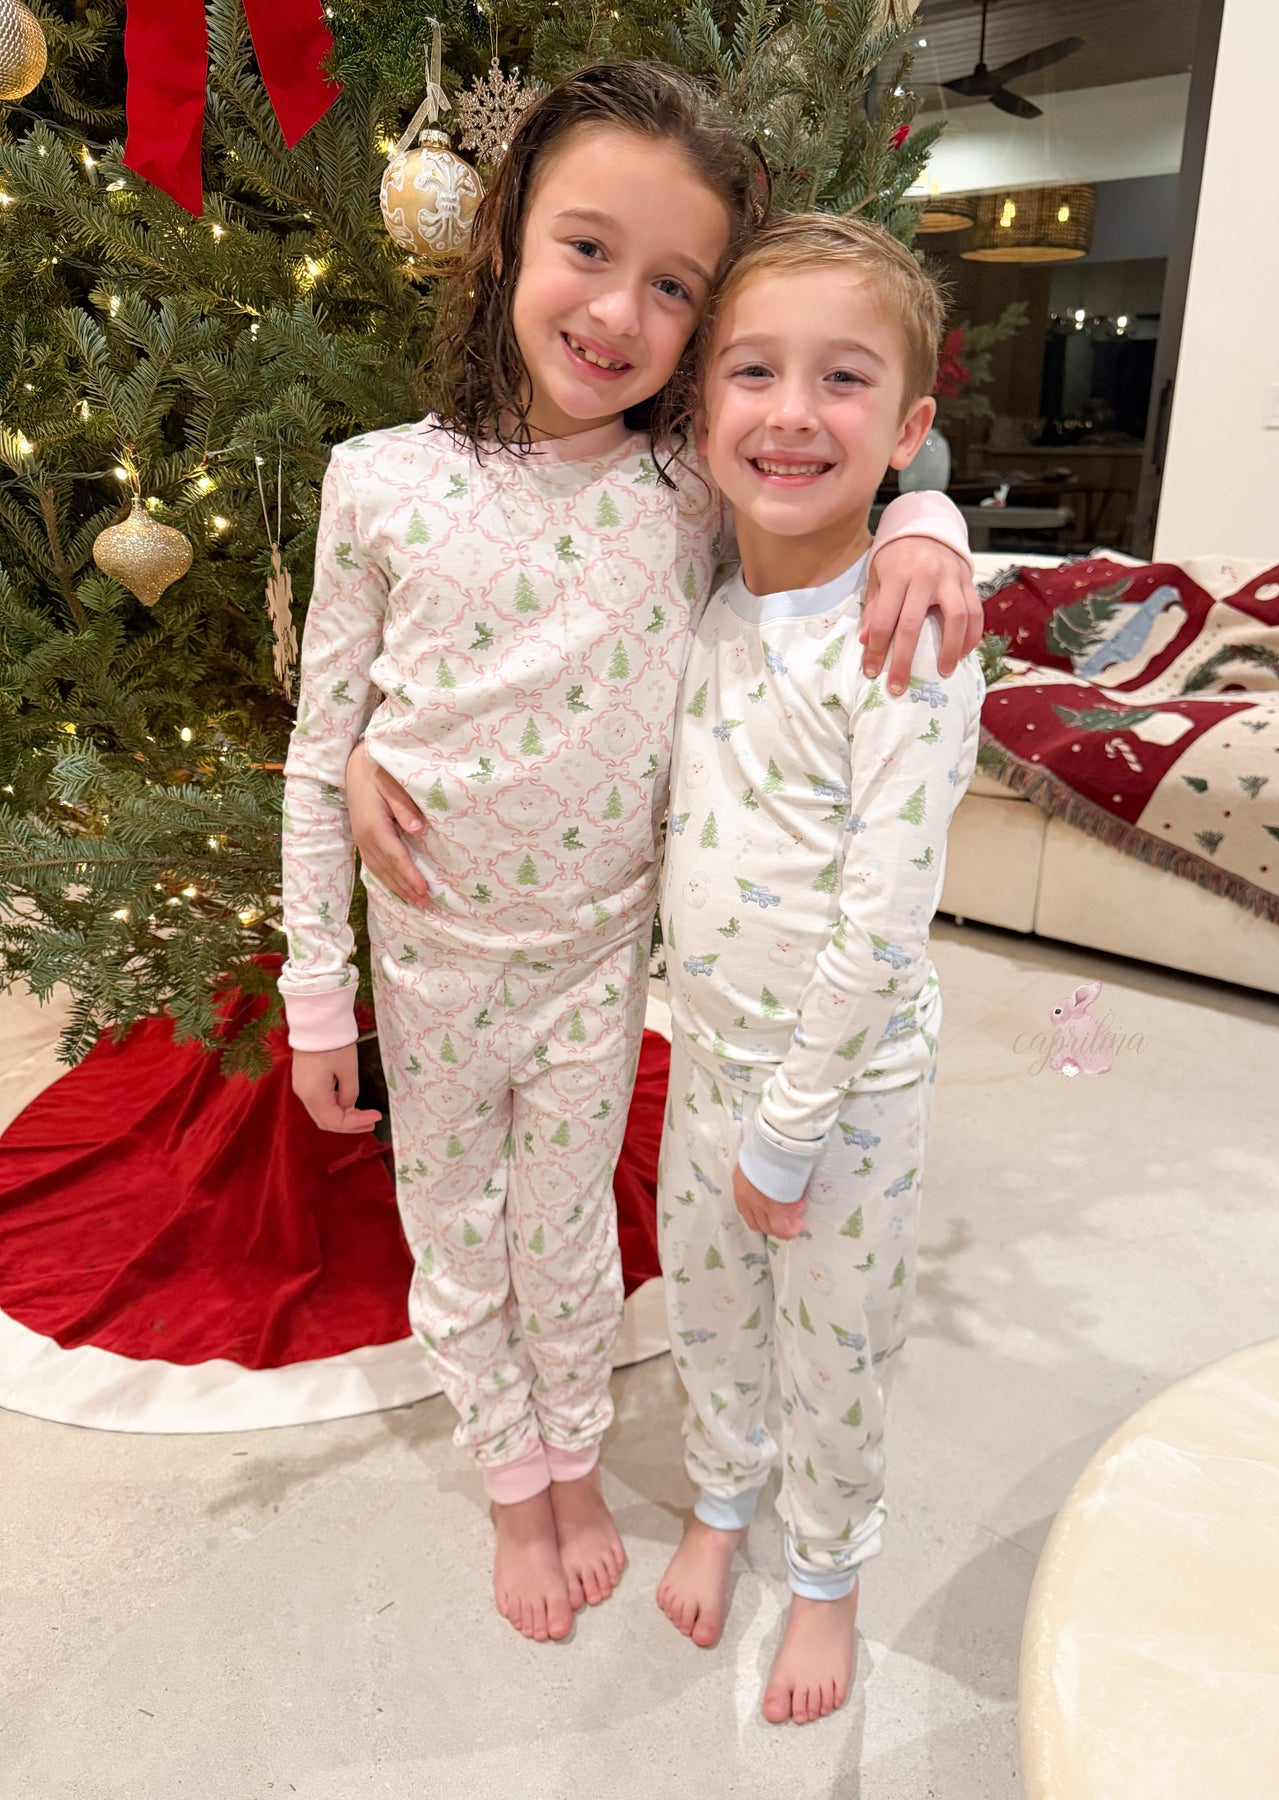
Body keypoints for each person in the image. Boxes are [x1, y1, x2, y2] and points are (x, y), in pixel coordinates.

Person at [281, 62, 979, 1651]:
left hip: (596, 970)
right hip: (429, 964)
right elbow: (325, 744)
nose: (616, 312)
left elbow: (828, 485)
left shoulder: (684, 487)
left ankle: (579, 1461)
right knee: (457, 1235)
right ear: (506, 240)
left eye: (673, 286)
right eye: (586, 250)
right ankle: (510, 1481)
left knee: (570, 1234)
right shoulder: (377, 480)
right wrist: (320, 987)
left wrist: (930, 525)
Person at [651, 214, 985, 1724]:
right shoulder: (709, 589)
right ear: (699, 404)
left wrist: (788, 1126)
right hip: (705, 1059)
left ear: (908, 429)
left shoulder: (909, 634)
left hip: (840, 1096)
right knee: (709, 1309)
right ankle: (721, 1501)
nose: (791, 413)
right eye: (753, 372)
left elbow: (883, 914)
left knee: (835, 1349)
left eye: (842, 379)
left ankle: (830, 1575)